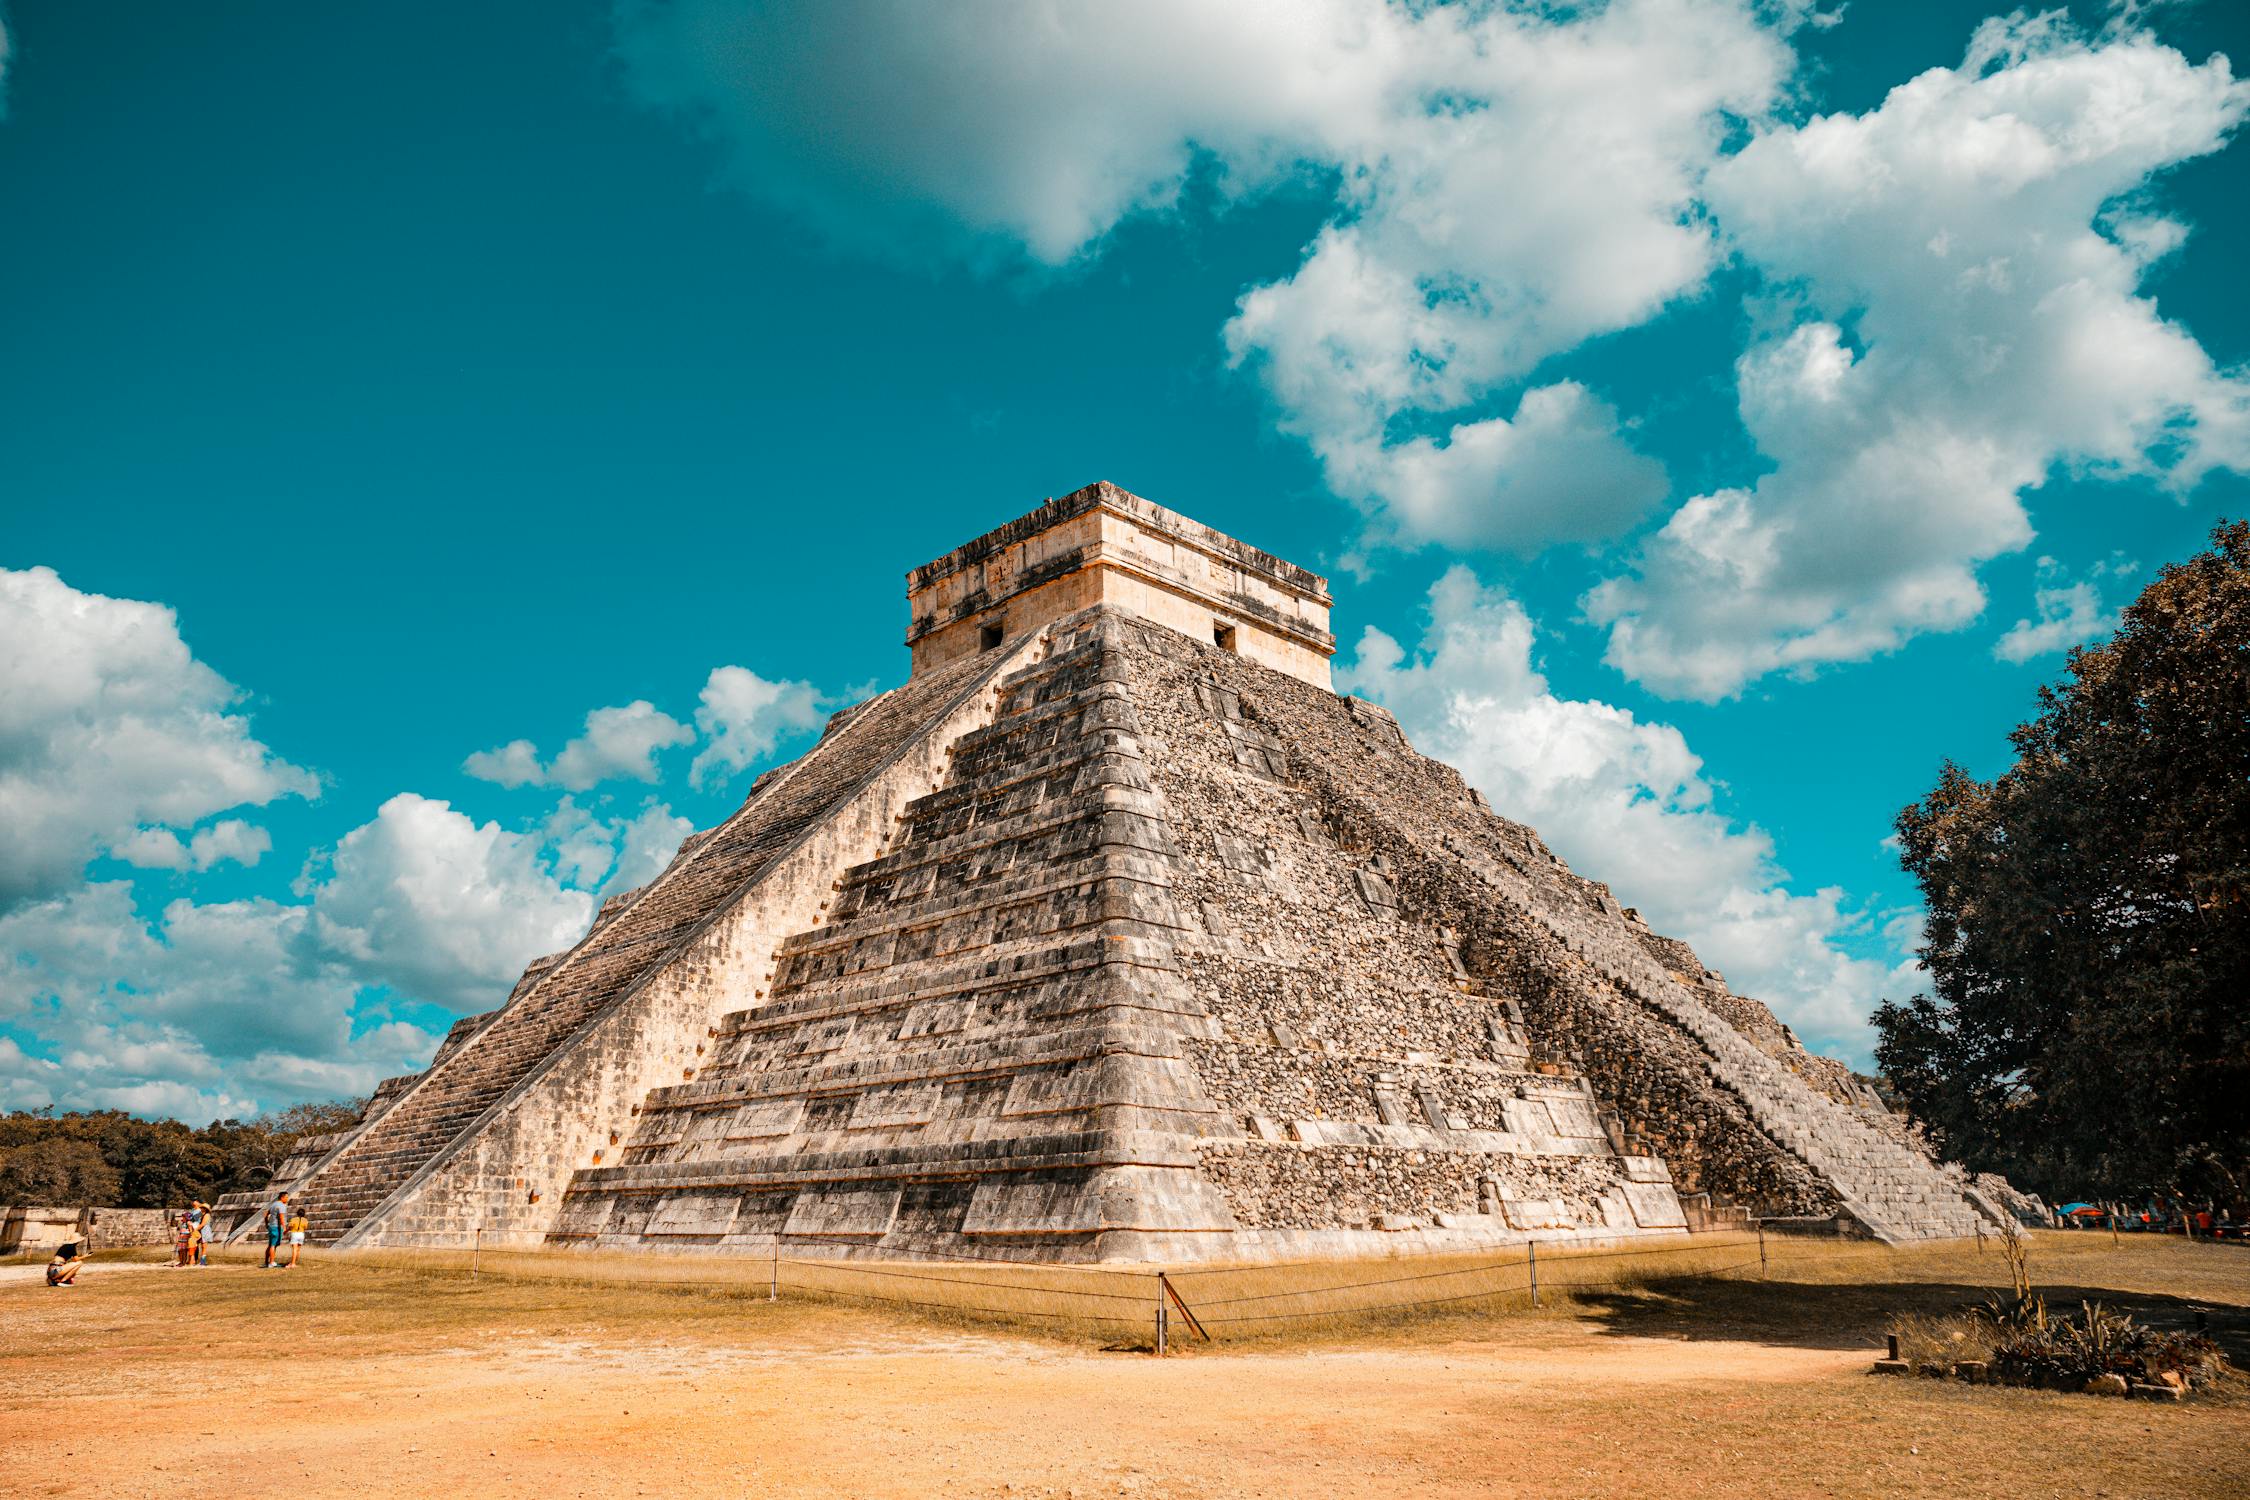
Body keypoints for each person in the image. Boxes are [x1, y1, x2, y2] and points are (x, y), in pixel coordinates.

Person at [262, 1191, 290, 1269]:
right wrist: (284, 1227)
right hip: (276, 1227)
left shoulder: (273, 1204)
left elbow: (266, 1214)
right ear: (282, 1197)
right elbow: (281, 1217)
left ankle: (266, 1262)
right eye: (286, 1197)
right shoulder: (281, 1205)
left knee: (271, 1245)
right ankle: (271, 1262)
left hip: (271, 1226)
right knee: (274, 1245)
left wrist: (266, 1223)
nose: (287, 1199)